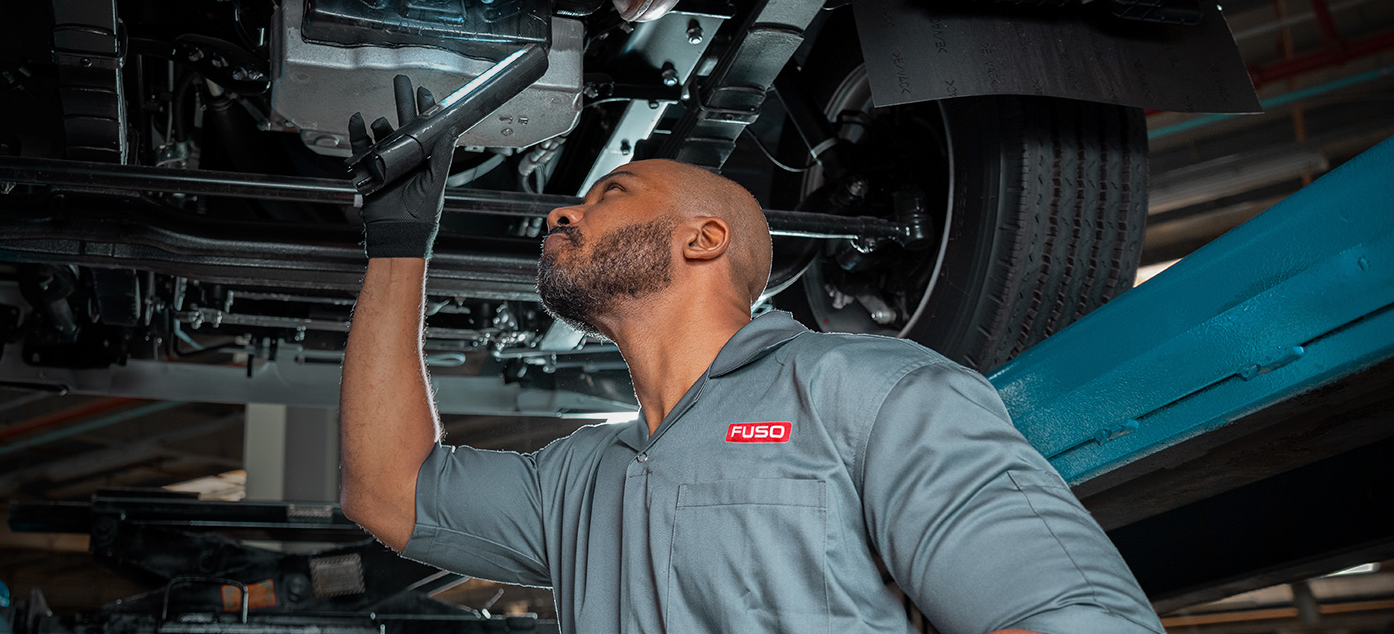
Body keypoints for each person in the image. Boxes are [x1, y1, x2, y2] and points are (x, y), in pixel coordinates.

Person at [337, 127, 1165, 633]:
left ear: (703, 240)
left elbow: (1079, 622)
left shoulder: (864, 392)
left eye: (611, 192)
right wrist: (400, 242)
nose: (561, 212)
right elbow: (385, 488)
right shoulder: (581, 478)